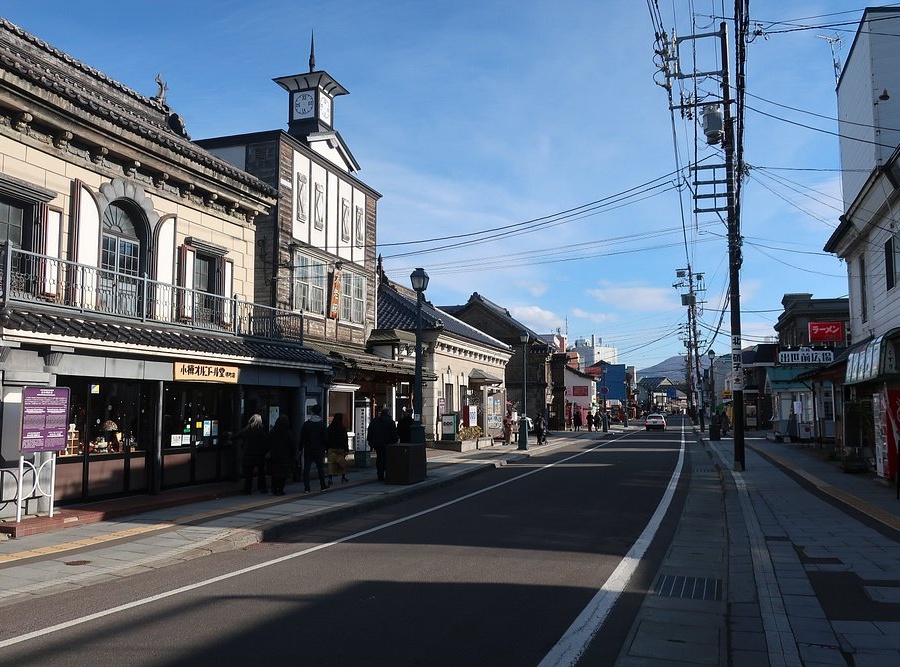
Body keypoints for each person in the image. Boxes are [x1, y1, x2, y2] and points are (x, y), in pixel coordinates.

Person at [234, 414, 268, 494]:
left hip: (248, 454)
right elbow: (266, 442)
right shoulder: (262, 430)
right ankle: (262, 488)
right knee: (261, 472)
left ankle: (247, 489)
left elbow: (236, 436)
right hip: (259, 455)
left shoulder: (247, 429)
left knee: (249, 473)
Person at [300, 404, 329, 493]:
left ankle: (307, 487)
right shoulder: (322, 425)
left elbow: (302, 438)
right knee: (320, 468)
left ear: (312, 412)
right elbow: (326, 438)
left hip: (308, 449)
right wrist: (325, 448)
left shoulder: (306, 424)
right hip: (319, 450)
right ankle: (323, 485)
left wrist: (300, 449)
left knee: (306, 469)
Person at [367, 406, 399, 481]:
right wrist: (395, 440)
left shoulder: (375, 421)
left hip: (377, 443)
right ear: (388, 413)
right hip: (388, 443)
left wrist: (371, 441)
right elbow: (393, 433)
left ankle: (380, 474)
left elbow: (370, 431)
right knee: (387, 459)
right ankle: (386, 473)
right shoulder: (390, 421)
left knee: (379, 458)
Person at [267, 415, 295, 496]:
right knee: (283, 475)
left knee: (274, 473)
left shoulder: (273, 431)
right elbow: (292, 445)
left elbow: (268, 441)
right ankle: (280, 489)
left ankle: (274, 488)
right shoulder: (287, 432)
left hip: (274, 455)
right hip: (284, 456)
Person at [327, 412, 350, 485]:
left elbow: (327, 438)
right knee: (341, 462)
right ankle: (343, 477)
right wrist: (346, 449)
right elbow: (345, 439)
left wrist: (326, 448)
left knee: (331, 463)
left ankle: (330, 478)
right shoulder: (342, 428)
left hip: (331, 447)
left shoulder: (330, 428)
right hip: (340, 448)